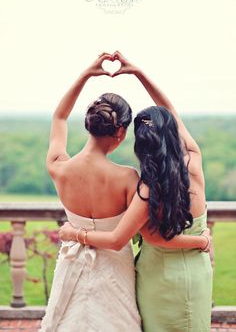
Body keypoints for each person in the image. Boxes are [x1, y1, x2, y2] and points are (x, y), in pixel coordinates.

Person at [59, 52, 213, 332]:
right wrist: (139, 73)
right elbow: (169, 110)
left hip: (153, 275)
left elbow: (152, 238)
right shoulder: (193, 160)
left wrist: (75, 234)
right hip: (194, 270)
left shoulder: (147, 185)